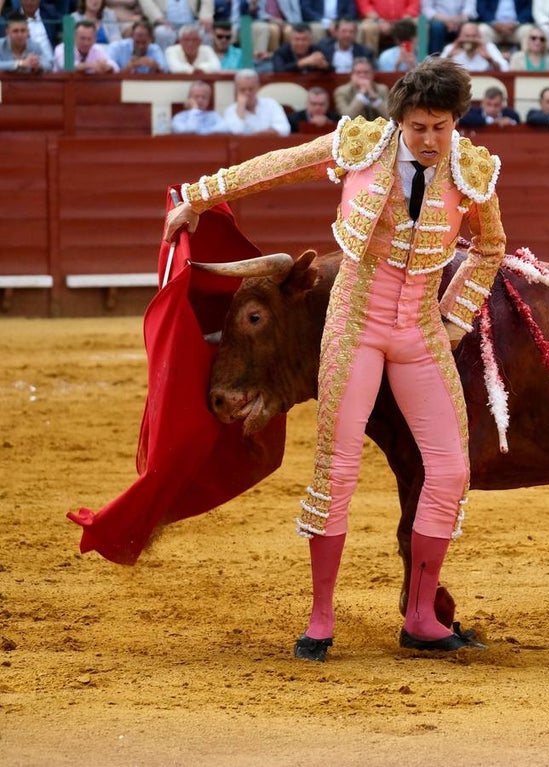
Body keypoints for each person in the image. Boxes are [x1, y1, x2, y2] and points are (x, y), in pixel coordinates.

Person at [163, 57, 504, 659]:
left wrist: (455, 316)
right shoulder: (362, 146)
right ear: (400, 120)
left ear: (456, 122)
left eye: (441, 127)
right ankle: (322, 619)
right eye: (419, 126)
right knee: (337, 471)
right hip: (354, 322)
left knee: (450, 471)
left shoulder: (471, 171)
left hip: (421, 330)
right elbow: (278, 167)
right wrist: (198, 196)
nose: (428, 139)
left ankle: (422, 616)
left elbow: (490, 248)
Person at [223, 68, 291, 135]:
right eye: (242, 89)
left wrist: (259, 135)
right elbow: (236, 133)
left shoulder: (271, 104)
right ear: (236, 90)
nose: (247, 93)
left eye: (251, 89)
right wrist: (241, 107)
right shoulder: (230, 110)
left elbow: (284, 128)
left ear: (258, 87)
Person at [55, 18, 119, 72]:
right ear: (74, 37)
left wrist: (108, 67)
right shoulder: (63, 48)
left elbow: (116, 68)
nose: (86, 43)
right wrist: (91, 66)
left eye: (89, 39)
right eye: (82, 38)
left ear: (94, 39)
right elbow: (67, 66)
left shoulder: (98, 49)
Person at [441, 20, 510, 70]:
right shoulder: (450, 48)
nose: (470, 39)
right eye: (467, 36)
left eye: (474, 36)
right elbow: (437, 71)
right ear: (460, 36)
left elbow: (505, 68)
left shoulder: (489, 47)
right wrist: (449, 57)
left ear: (479, 36)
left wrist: (489, 59)